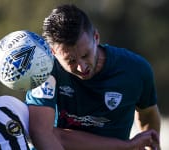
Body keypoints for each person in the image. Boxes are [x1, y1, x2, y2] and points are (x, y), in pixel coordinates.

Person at [25, 4, 161, 150]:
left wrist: (151, 146)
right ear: (53, 52)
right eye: (71, 61)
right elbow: (42, 133)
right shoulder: (44, 71)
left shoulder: (135, 69)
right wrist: (126, 146)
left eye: (85, 55)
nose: (82, 67)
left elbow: (147, 114)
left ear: (96, 37)